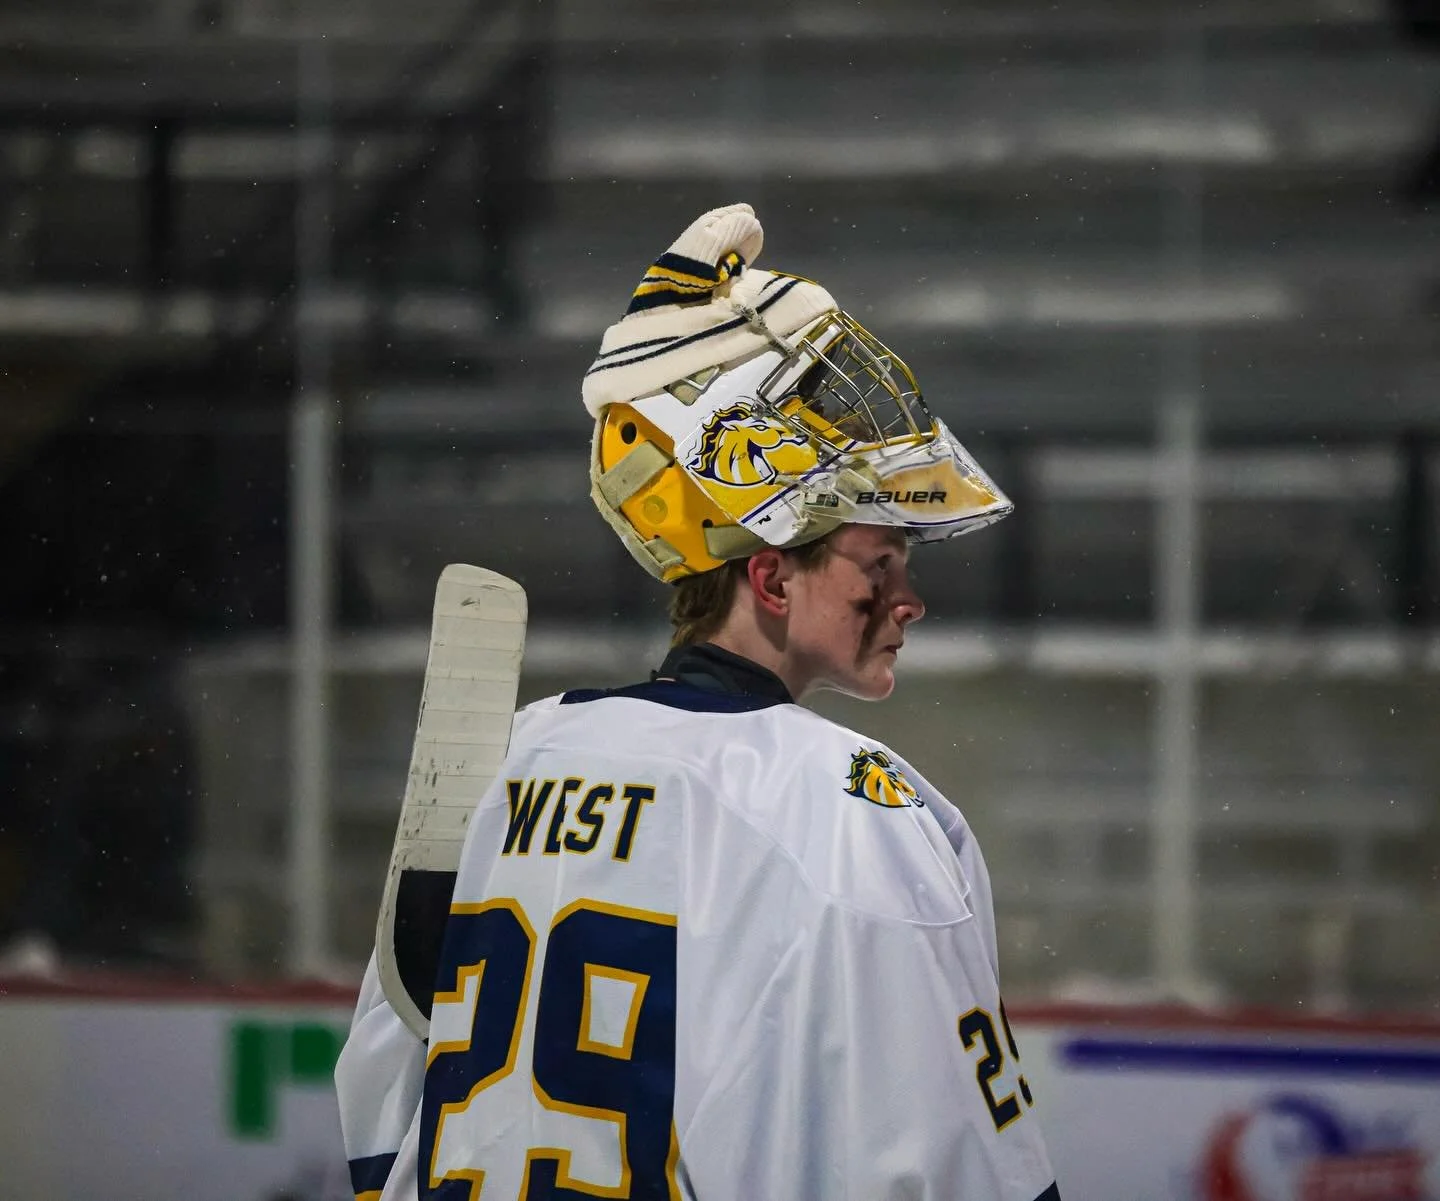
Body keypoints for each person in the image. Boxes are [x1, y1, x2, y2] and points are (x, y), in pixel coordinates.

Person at [335, 203, 1059, 1201]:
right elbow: (948, 1168)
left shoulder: (507, 759)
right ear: (768, 579)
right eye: (876, 560)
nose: (907, 599)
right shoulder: (855, 807)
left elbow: (384, 1110)